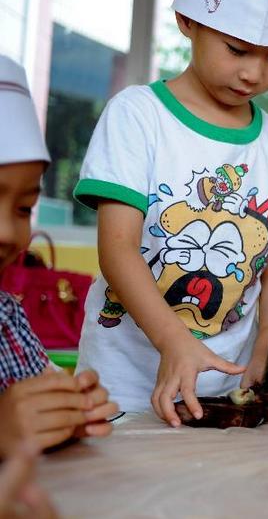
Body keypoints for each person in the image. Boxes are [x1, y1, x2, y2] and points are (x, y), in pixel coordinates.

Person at [71, 0, 268, 426]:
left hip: (226, 390)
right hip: (123, 386)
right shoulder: (137, 115)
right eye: (237, 50)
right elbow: (118, 250)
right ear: (188, 21)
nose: (253, 73)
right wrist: (174, 341)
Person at [0, 54, 117, 457]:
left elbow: (34, 414)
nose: (6, 233)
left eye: (21, 209)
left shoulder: (8, 319)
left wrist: (68, 410)